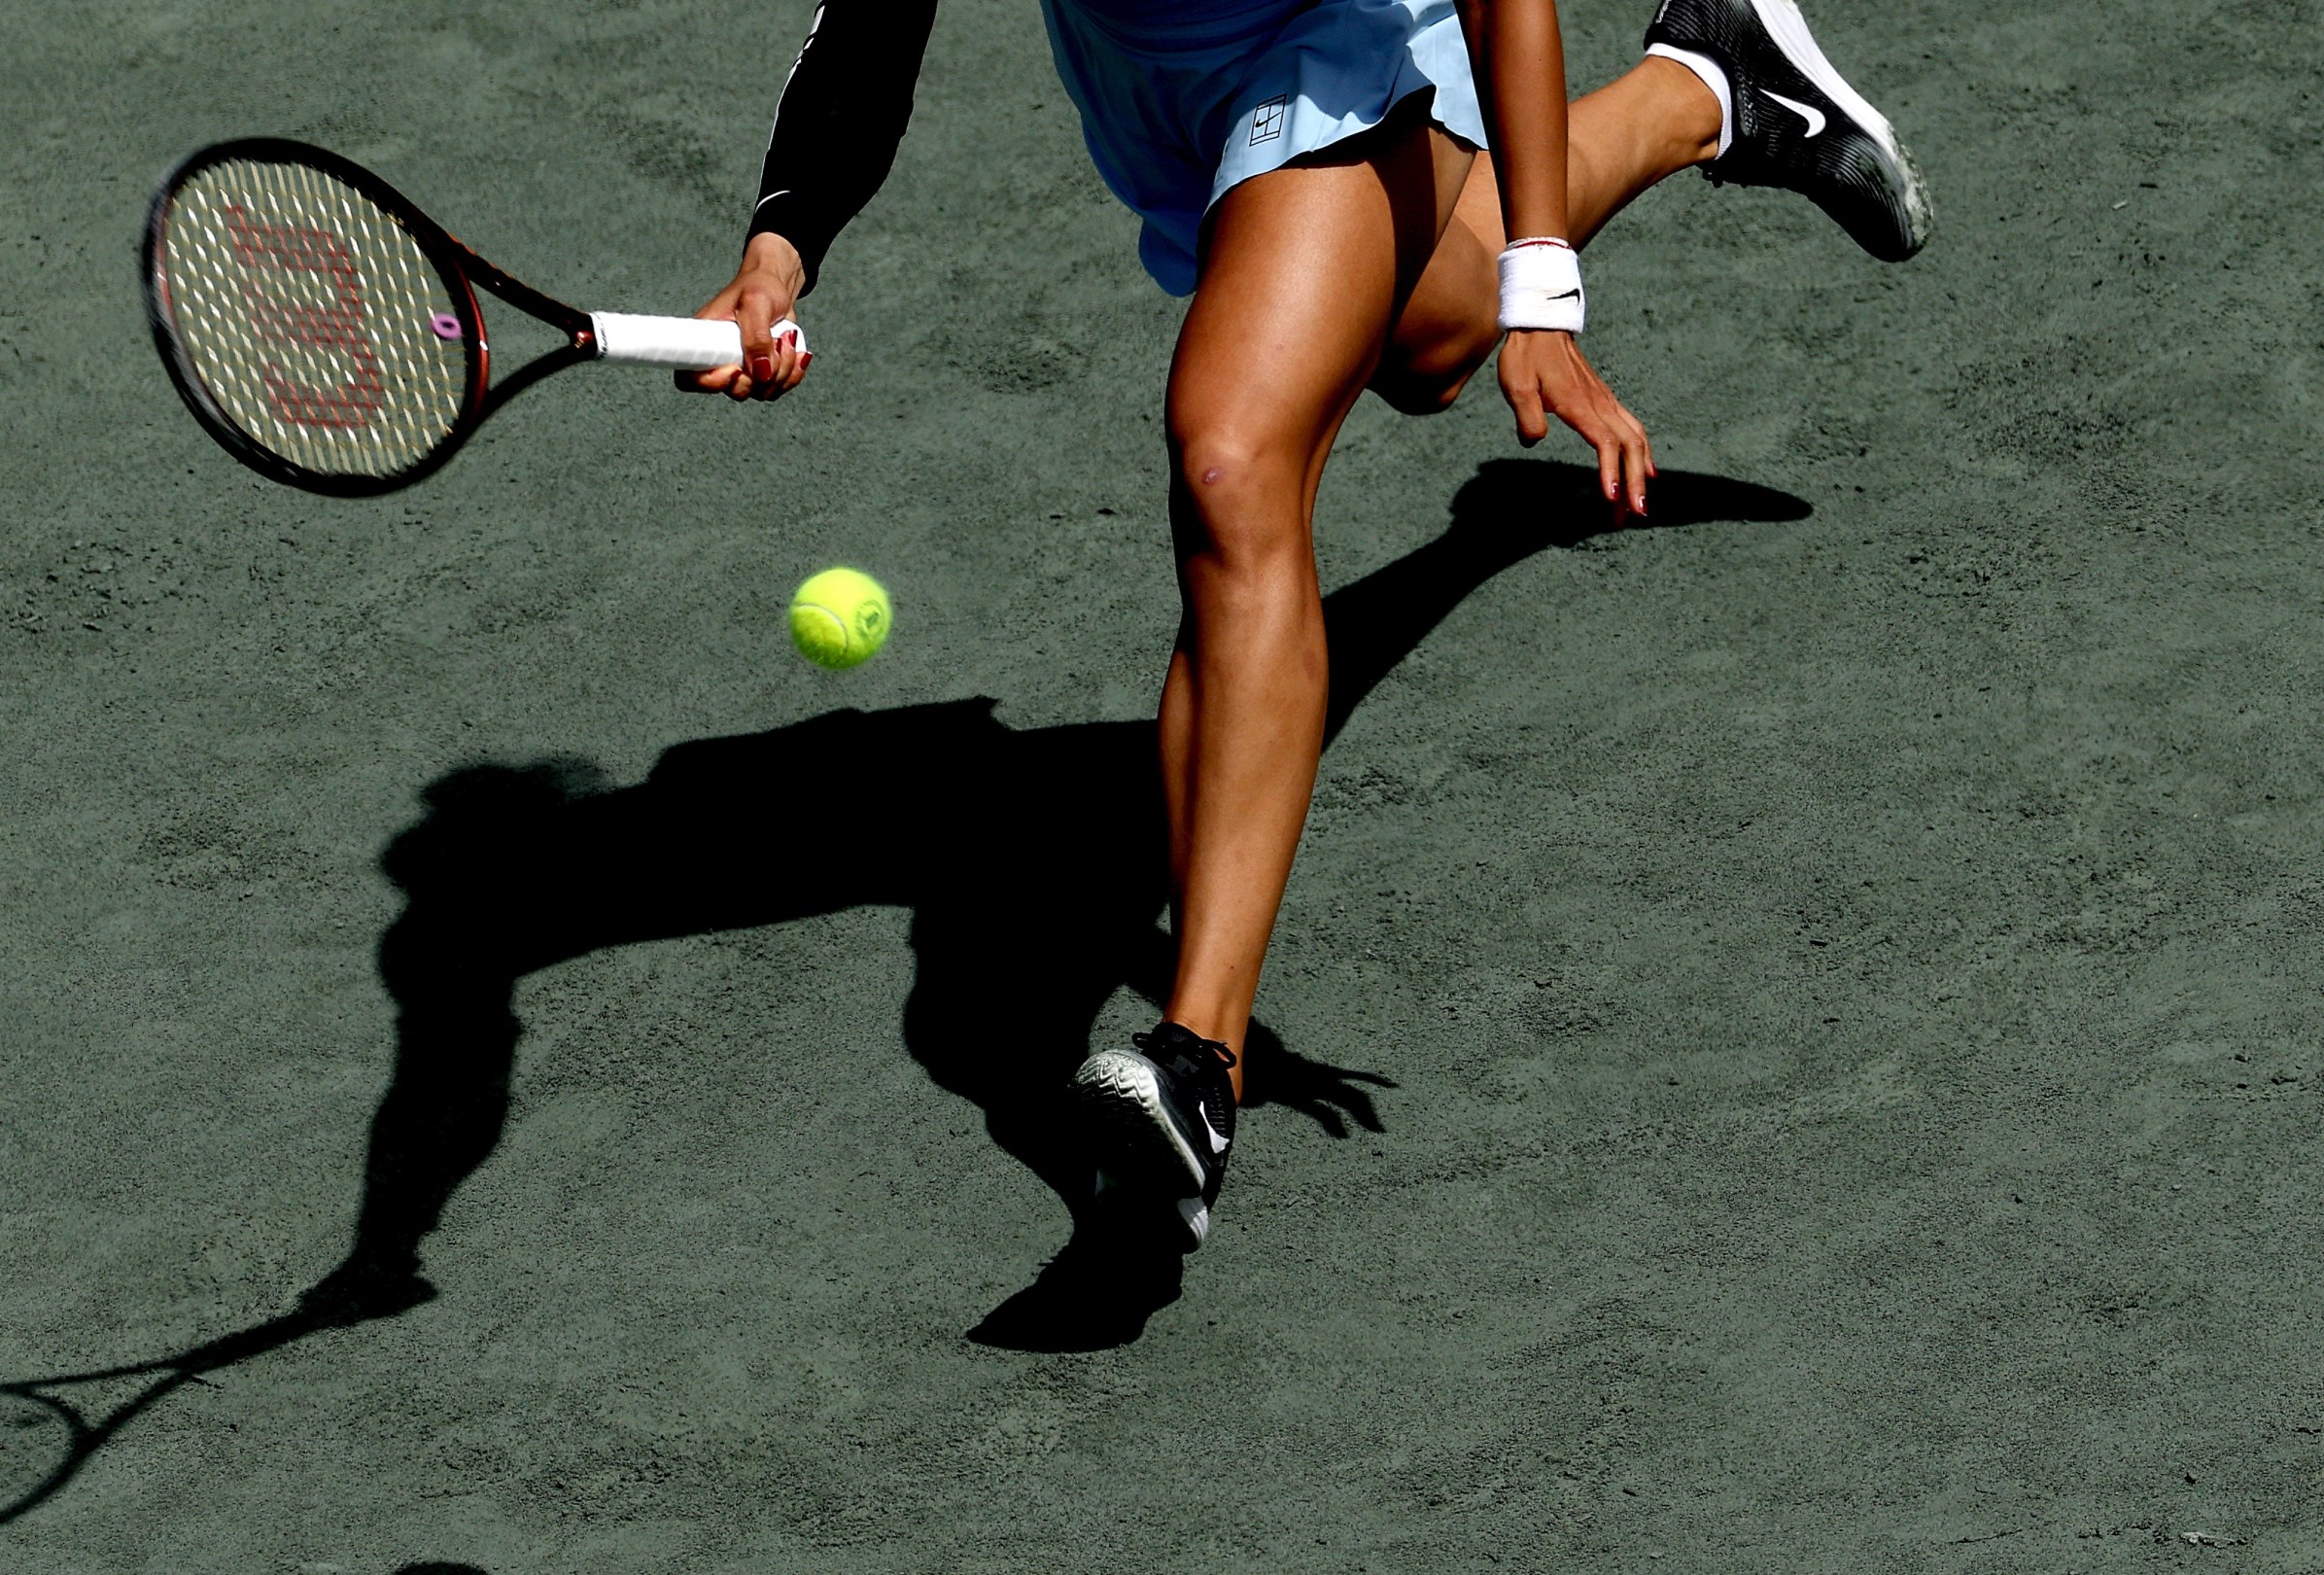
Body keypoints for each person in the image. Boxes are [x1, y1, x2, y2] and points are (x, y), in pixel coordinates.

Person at [680, 0, 1927, 1251]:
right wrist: (780, 254)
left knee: (1235, 457)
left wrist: (1545, 284)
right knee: (1432, 338)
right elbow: (876, 21)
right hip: (1153, 78)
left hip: (1327, 41)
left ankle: (1196, 1065)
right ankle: (1706, 83)